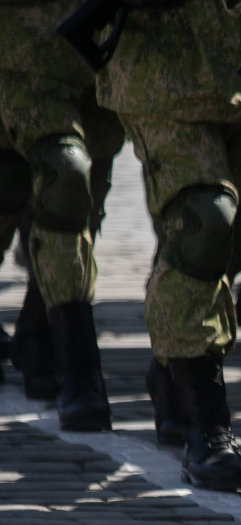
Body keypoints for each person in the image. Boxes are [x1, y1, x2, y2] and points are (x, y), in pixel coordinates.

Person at [92, 0, 241, 492]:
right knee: (204, 223)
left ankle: (173, 370)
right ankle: (208, 424)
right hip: (160, 68)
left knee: (225, 242)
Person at [0, 0, 126, 430]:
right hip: (24, 41)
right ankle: (77, 362)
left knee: (82, 193)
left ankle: (41, 329)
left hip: (105, 46)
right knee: (53, 176)